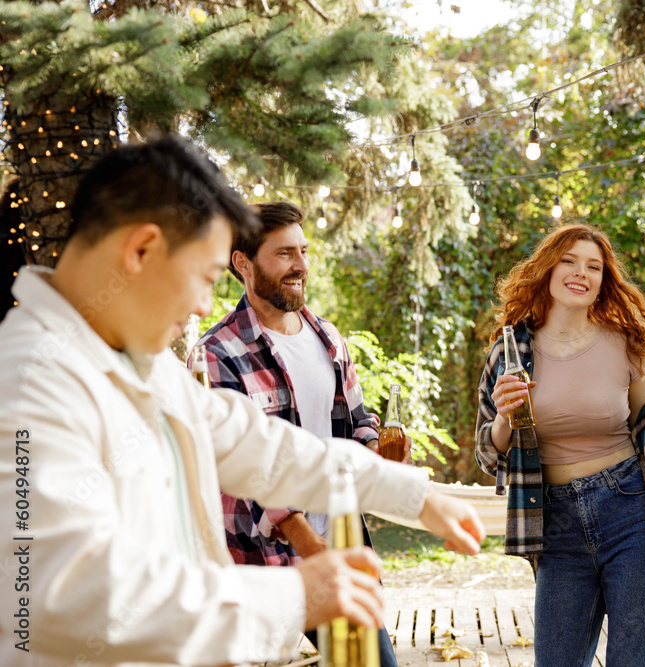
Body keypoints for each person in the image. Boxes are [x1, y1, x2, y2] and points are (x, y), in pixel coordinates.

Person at [0, 135, 484, 667]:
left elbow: (258, 446)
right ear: (140, 250)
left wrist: (411, 495)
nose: (204, 304)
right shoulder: (27, 380)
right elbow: (57, 591)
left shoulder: (142, 358)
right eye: (206, 277)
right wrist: (296, 597)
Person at [475, 223, 645, 667]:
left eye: (594, 266)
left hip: (630, 511)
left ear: (603, 280)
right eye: (569, 261)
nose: (581, 272)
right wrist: (505, 415)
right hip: (555, 522)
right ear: (547, 269)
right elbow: (488, 453)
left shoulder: (627, 343)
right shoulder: (511, 352)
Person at [191, 200, 405, 665]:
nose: (302, 266)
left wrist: (376, 450)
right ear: (242, 262)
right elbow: (238, 460)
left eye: (304, 252)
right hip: (262, 561)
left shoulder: (328, 339)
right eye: (285, 254)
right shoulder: (216, 353)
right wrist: (307, 539)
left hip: (336, 547)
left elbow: (357, 420)